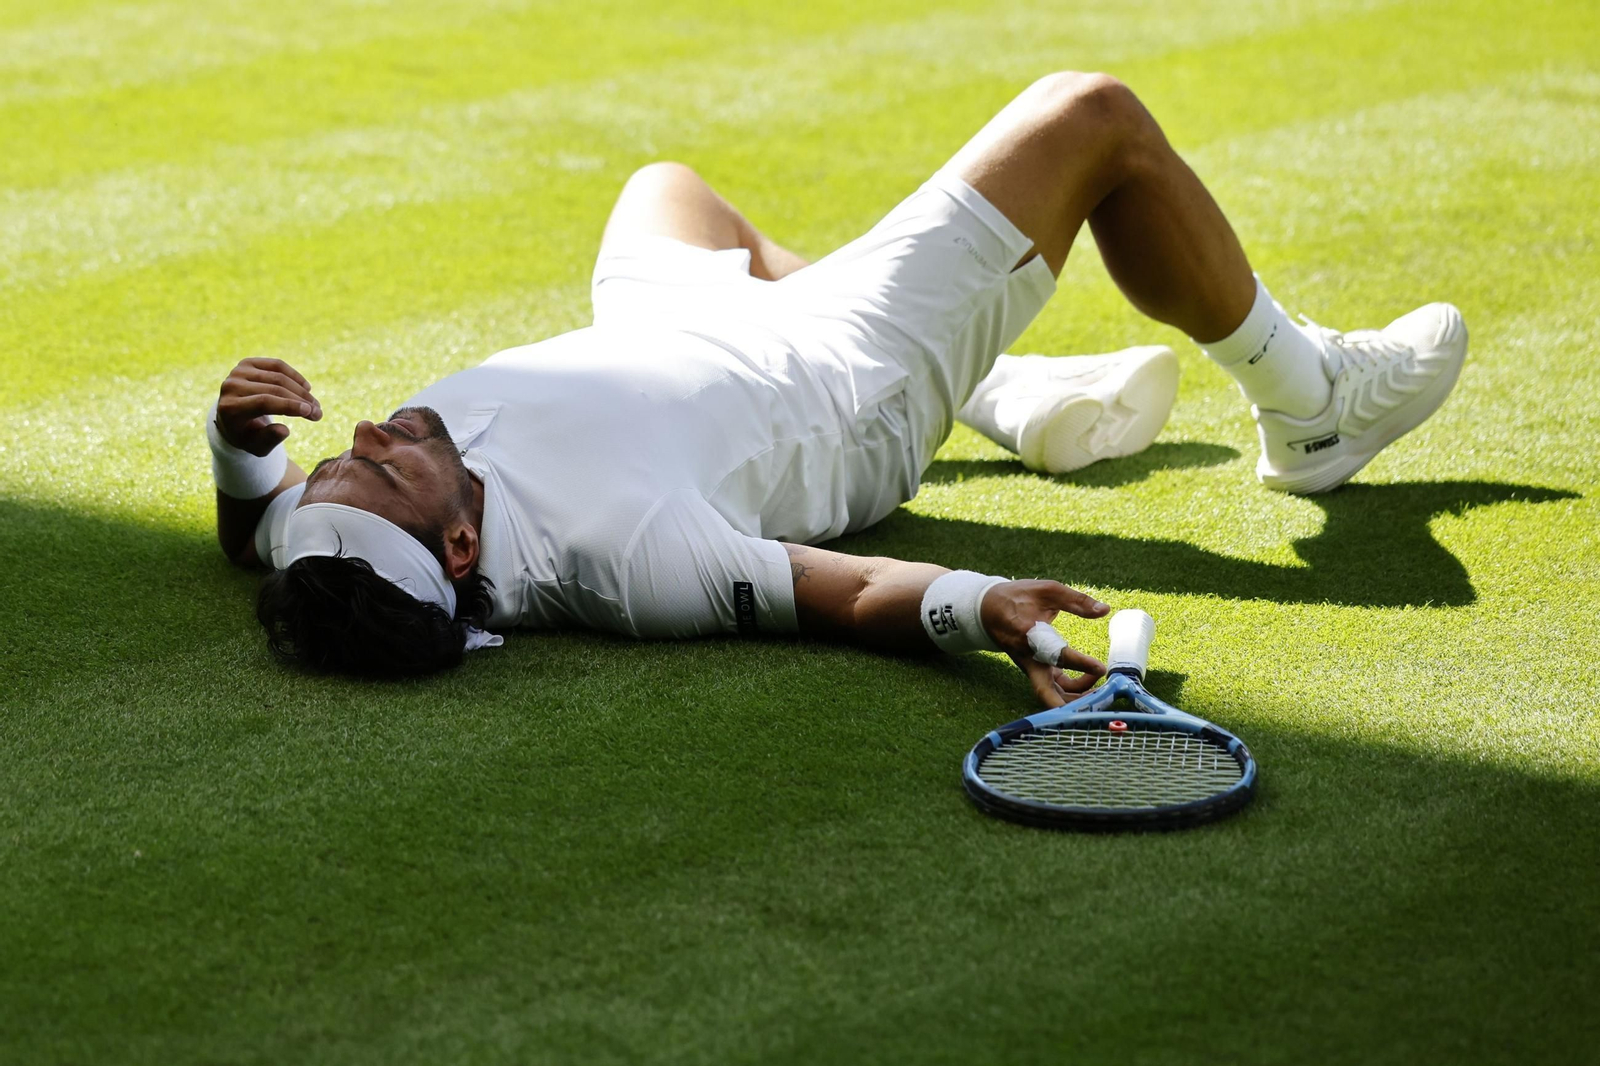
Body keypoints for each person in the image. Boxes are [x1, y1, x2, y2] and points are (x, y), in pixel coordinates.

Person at [206, 72, 1467, 707]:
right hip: (844, 378)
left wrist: (240, 448)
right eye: (376, 467)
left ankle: (1011, 390)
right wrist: (986, 607)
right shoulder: (626, 554)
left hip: (675, 330)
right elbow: (843, 587)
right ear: (465, 541)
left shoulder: (331, 542)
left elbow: (258, 531)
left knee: (669, 187)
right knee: (1091, 119)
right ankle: (1310, 405)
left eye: (340, 464)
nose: (361, 436)